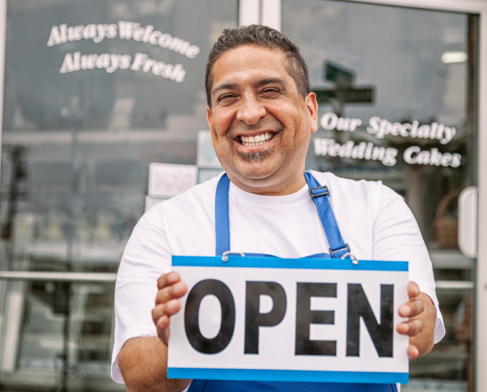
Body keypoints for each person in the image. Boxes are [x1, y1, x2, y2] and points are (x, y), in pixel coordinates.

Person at [112, 25, 444, 392]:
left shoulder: (376, 207)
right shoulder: (166, 225)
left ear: (311, 110)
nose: (250, 113)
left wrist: (414, 317)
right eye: (228, 97)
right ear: (211, 123)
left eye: (270, 90)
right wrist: (176, 340)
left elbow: (422, 332)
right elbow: (139, 379)